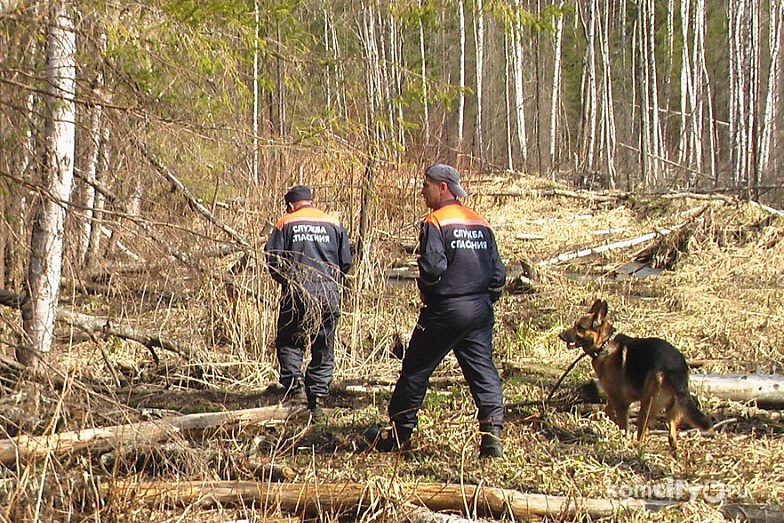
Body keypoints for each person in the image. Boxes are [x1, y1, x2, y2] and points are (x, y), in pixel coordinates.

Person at [364, 164, 507, 457]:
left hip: (444, 309)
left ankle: (398, 435)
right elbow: (498, 276)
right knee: (483, 372)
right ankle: (491, 437)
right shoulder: (480, 222)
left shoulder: (435, 221)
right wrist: (483, 301)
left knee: (415, 370)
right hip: (479, 310)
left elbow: (432, 268)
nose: (422, 190)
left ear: (443, 188)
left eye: (426, 184)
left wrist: (430, 293)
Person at [264, 185, 352, 419]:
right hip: (329, 291)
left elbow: (273, 260)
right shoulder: (333, 223)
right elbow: (345, 262)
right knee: (324, 343)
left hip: (298, 290)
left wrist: (287, 282)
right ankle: (318, 395)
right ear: (310, 202)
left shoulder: (285, 222)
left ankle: (297, 391)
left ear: (291, 204)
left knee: (289, 340)